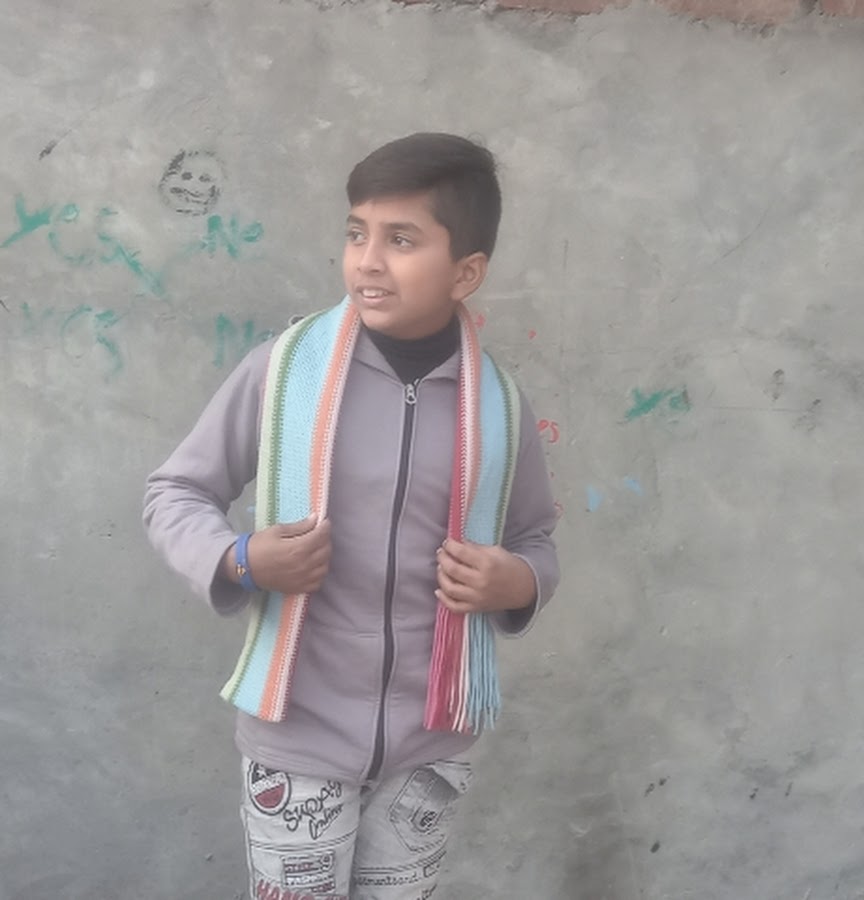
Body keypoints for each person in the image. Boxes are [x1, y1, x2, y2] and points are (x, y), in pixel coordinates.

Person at [143, 132, 560, 900]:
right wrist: (240, 559)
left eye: (401, 240)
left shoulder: (499, 406)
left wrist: (519, 581)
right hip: (297, 734)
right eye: (356, 233)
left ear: (466, 272)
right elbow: (175, 492)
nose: (367, 261)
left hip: (432, 743)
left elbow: (534, 536)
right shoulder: (281, 372)